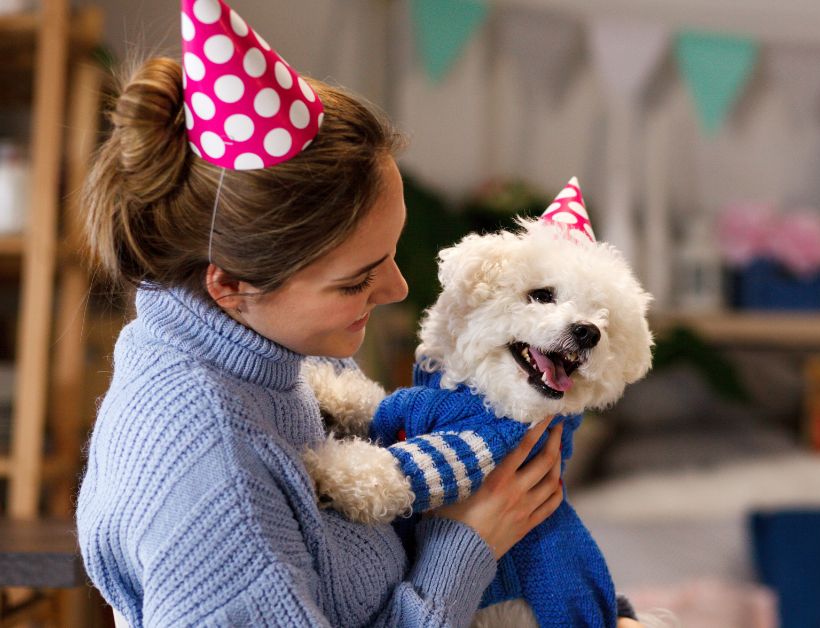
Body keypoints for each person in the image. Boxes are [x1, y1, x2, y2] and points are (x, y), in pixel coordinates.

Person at [74, 54, 566, 627]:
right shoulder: (210, 470)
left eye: (390, 255)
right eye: (356, 280)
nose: (396, 288)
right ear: (231, 285)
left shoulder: (282, 357)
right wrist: (464, 548)